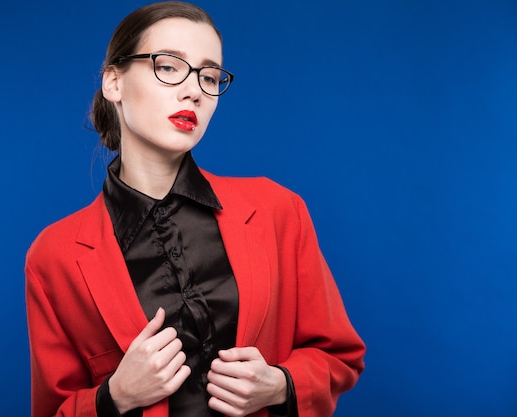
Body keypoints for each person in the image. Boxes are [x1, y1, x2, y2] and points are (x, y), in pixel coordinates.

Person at [24, 2, 366, 417]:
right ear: (113, 81)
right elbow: (53, 409)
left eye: (208, 76)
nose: (194, 91)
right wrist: (114, 396)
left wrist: (280, 384)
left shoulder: (277, 210)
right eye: (169, 67)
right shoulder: (55, 255)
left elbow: (339, 356)